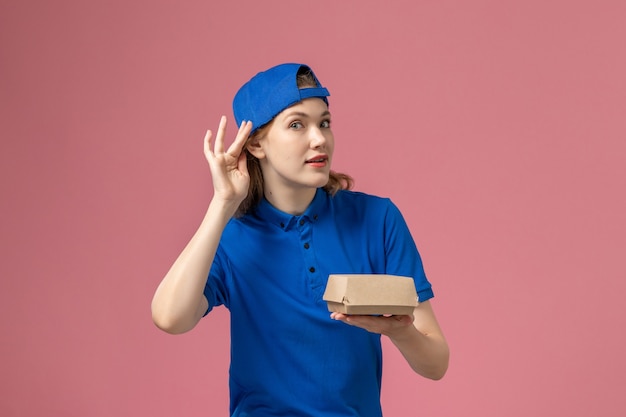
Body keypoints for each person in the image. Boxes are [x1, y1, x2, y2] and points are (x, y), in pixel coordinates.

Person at [151, 63, 449, 417]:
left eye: (324, 122)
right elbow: (170, 318)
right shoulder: (231, 236)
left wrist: (397, 331)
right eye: (297, 125)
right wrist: (222, 205)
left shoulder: (377, 220)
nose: (319, 138)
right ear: (256, 144)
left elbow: (435, 364)